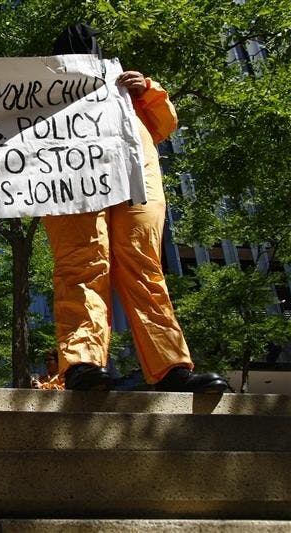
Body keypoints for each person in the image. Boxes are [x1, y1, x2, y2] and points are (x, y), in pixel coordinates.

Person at [43, 23, 228, 393]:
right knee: (82, 266)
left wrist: (146, 91)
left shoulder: (124, 83)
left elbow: (164, 125)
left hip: (134, 179)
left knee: (143, 267)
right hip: (73, 181)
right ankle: (82, 363)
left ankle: (171, 367)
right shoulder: (43, 91)